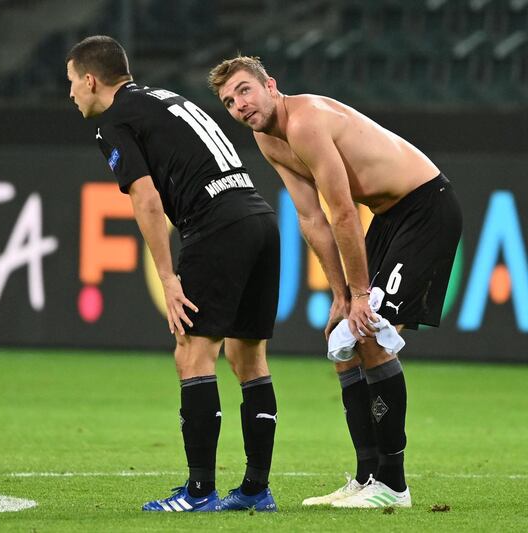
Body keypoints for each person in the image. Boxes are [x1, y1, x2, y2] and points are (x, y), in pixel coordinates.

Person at [208, 56, 462, 508]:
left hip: (425, 207)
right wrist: (341, 296)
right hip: (389, 217)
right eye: (229, 101)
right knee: (342, 341)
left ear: (270, 85)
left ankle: (393, 485)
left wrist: (361, 294)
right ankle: (366, 479)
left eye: (245, 90)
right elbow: (311, 218)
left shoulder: (306, 121)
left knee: (369, 335)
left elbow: (342, 210)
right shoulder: (267, 140)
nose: (239, 105)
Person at [66, 36, 281, 513]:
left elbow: (145, 198)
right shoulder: (164, 98)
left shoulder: (115, 120)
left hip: (216, 226)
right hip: (259, 218)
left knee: (191, 354)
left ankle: (200, 492)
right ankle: (254, 491)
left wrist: (167, 277)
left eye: (71, 83)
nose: (71, 95)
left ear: (90, 79)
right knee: (249, 359)